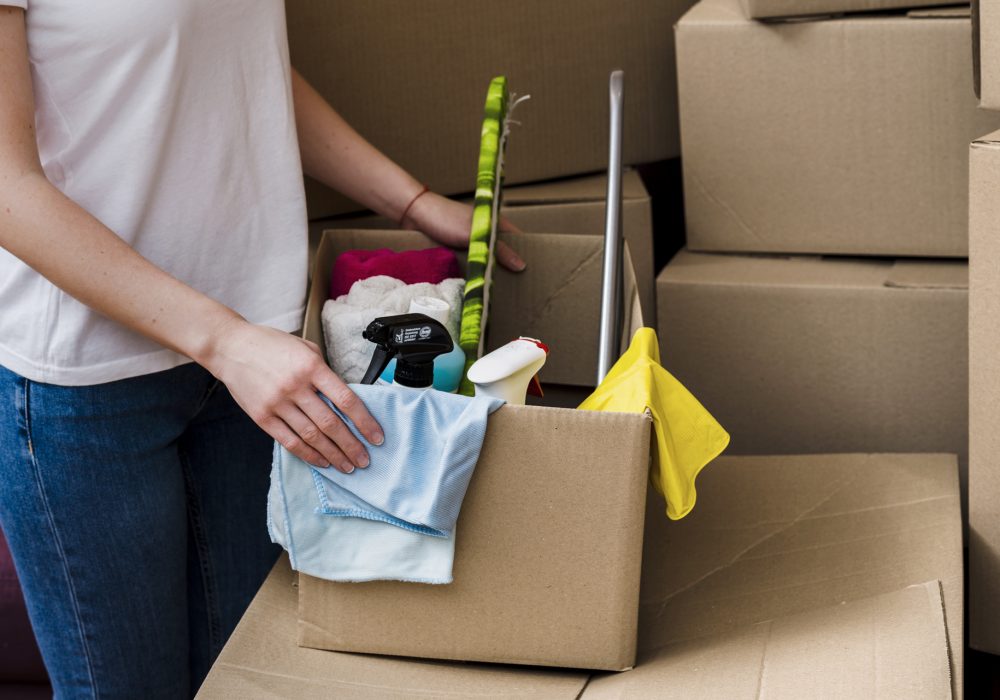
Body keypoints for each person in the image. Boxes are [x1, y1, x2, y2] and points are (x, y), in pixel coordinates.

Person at [0, 3, 524, 698]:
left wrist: (412, 201)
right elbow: (7, 184)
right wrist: (224, 339)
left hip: (255, 360)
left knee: (248, 685)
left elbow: (237, 68)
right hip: (95, 389)